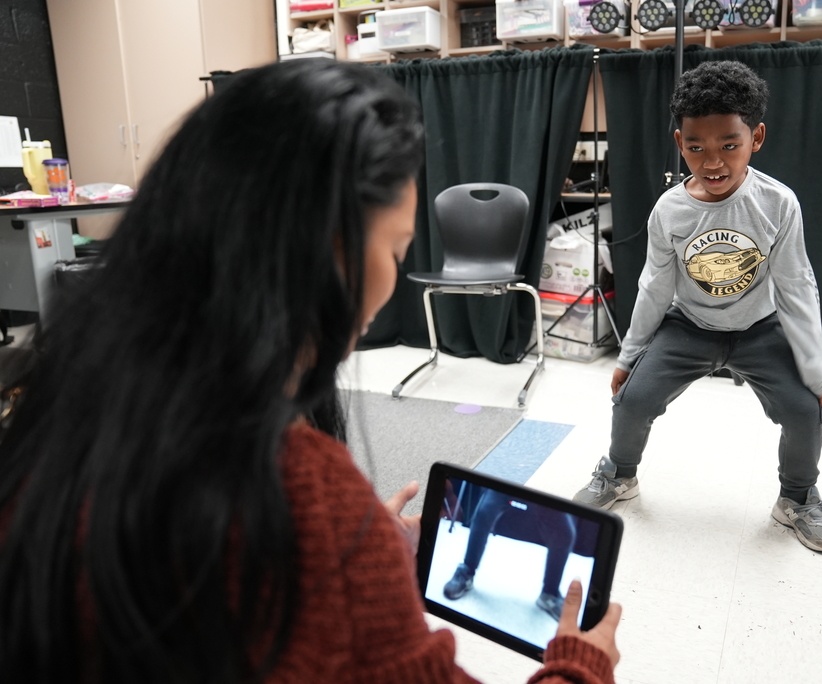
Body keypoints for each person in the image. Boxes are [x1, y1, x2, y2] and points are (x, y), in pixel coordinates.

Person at [0, 60, 621, 683]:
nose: (392, 276)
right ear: (328, 249)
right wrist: (579, 666)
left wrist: (363, 557)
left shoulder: (51, 404)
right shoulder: (302, 493)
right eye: (398, 247)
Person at [573, 60, 822, 554]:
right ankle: (619, 474)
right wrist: (629, 356)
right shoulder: (670, 210)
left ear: (756, 138)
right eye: (696, 148)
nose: (712, 161)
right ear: (679, 143)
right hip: (689, 325)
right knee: (631, 400)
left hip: (759, 328)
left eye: (729, 146)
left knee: (803, 410)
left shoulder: (778, 203)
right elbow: (655, 286)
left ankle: (798, 498)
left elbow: (797, 287)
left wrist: (816, 367)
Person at [443, 486, 577, 620]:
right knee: (484, 512)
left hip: (545, 488)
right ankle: (467, 571)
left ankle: (550, 594)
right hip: (509, 484)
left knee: (565, 534)